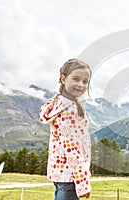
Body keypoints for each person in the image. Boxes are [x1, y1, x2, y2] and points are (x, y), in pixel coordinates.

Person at [39, 58, 92, 200]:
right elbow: (71, 147)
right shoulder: (69, 107)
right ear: (63, 79)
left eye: (85, 81)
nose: (81, 85)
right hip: (70, 176)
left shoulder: (59, 102)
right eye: (76, 79)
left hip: (61, 173)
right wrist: (82, 182)